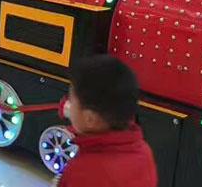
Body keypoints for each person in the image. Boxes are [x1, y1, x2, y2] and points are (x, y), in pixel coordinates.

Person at [59, 55, 157, 187]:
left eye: (71, 100)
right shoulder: (144, 152)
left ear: (90, 119)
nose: (68, 105)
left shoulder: (83, 173)